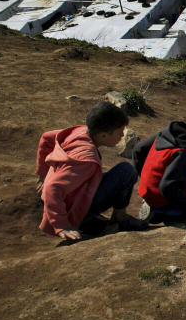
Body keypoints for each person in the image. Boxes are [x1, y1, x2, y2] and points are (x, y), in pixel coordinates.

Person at [36, 101, 148, 242]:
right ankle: (114, 218)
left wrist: (42, 174)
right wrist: (61, 225)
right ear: (102, 136)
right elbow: (52, 188)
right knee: (126, 171)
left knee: (118, 172)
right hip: (72, 211)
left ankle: (93, 219)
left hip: (71, 197)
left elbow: (46, 138)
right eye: (119, 133)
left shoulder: (80, 131)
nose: (121, 137)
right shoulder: (86, 159)